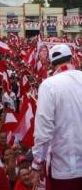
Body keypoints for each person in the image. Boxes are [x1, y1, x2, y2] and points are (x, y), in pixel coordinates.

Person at [31, 44, 82, 190]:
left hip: (65, 169)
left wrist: (36, 164)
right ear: (72, 58)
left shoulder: (49, 85)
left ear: (52, 64)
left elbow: (43, 130)